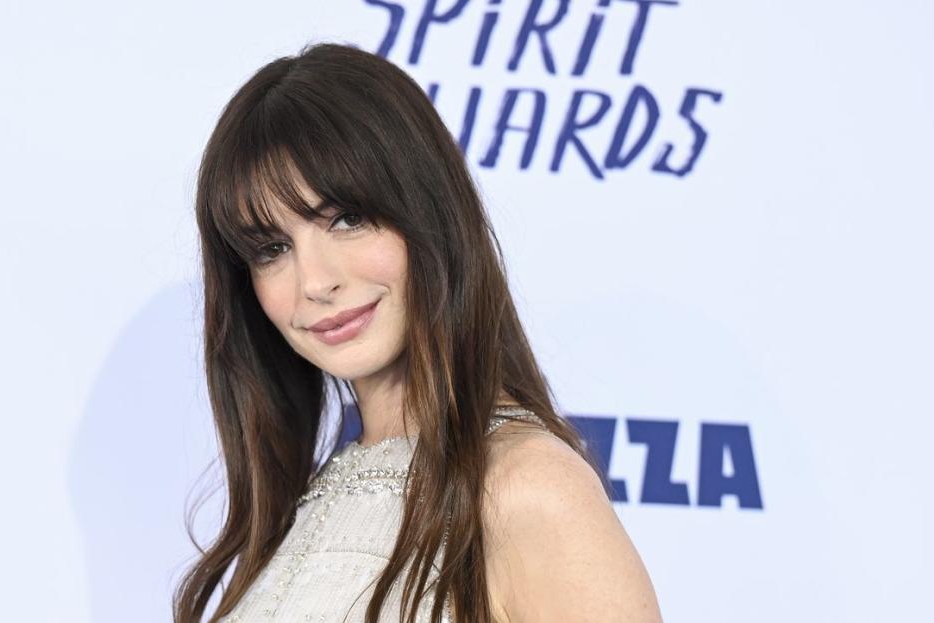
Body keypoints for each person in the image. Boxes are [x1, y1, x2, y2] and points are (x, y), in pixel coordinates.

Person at [174, 41, 662, 623]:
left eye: (347, 219)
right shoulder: (310, 498)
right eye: (272, 249)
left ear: (428, 212)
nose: (315, 282)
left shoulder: (527, 488)